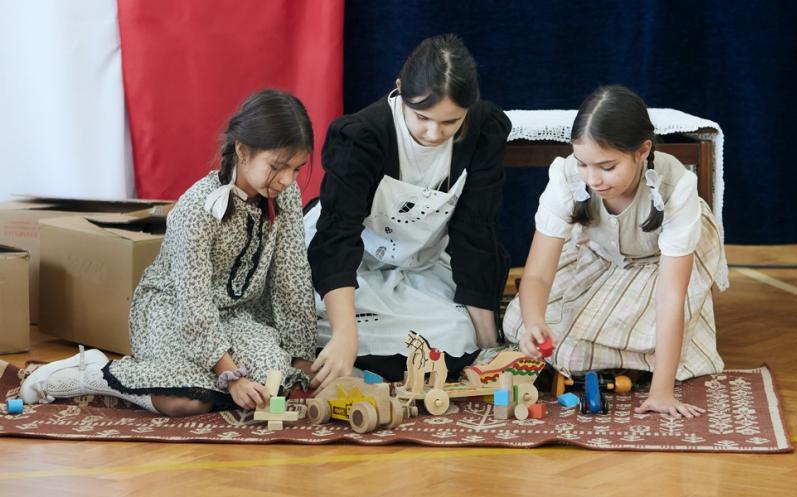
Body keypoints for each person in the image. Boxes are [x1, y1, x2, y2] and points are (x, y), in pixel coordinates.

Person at [21, 89, 318, 416]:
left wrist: (301, 361)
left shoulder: (284, 195)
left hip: (236, 315)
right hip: (172, 311)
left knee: (275, 373)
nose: (287, 180)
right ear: (242, 150)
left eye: (297, 168)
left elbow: (292, 276)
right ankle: (93, 374)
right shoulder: (197, 208)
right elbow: (193, 303)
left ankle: (215, 376)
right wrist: (232, 378)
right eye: (278, 167)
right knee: (188, 399)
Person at [503, 85, 728, 418]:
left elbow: (671, 296)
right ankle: (623, 360)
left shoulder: (674, 187)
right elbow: (536, 274)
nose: (593, 179)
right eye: (583, 164)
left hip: (659, 266)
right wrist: (534, 322)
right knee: (516, 322)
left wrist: (662, 392)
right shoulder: (567, 177)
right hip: (601, 255)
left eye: (607, 167)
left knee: (589, 345)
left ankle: (649, 364)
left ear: (642, 151)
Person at [305, 34, 512, 391]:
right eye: (421, 117)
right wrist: (345, 335)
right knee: (314, 324)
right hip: (351, 264)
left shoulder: (483, 130)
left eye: (450, 122)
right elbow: (337, 237)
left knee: (457, 333)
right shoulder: (362, 136)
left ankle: (361, 364)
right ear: (400, 89)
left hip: (421, 263)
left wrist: (487, 347)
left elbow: (475, 232)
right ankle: (339, 351)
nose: (433, 133)